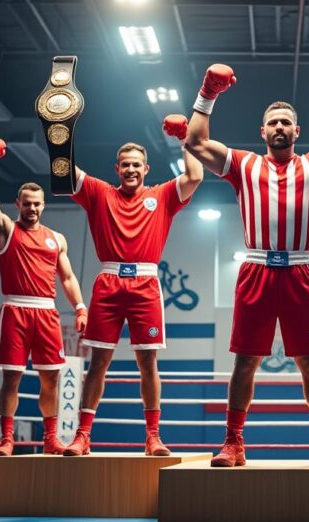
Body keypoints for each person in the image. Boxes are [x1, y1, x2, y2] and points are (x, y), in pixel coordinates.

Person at [183, 63, 309, 467]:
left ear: (297, 131)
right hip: (255, 269)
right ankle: (233, 442)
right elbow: (196, 141)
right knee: (245, 360)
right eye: (272, 122)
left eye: (286, 122)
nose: (279, 128)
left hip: (300, 271)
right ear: (263, 132)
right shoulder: (242, 164)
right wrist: (208, 93)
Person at [63, 117, 204, 457]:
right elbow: (64, 171)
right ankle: (83, 436)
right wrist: (60, 129)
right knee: (98, 362)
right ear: (116, 168)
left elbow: (196, 175)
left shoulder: (162, 196)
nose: (130, 170)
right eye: (125, 165)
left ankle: (153, 436)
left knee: (147, 362)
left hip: (145, 282)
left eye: (136, 165)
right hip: (109, 281)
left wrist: (185, 139)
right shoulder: (99, 193)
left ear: (146, 167)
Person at [0, 138, 88, 456]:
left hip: (47, 312)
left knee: (50, 379)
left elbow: (66, 276)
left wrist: (79, 306)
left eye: (37, 203)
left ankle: (50, 438)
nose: (32, 208)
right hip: (15, 310)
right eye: (27, 203)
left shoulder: (56, 238)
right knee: (11, 379)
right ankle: (7, 439)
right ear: (18, 203)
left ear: (43, 205)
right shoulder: (5, 230)